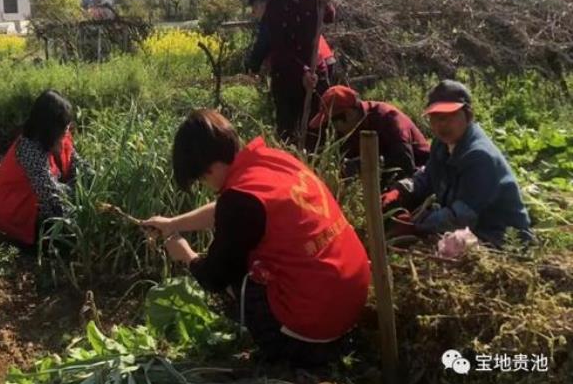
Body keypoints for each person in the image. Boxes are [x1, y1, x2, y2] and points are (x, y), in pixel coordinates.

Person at [144, 109, 371, 367]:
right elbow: (232, 209)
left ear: (209, 169)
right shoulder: (270, 161)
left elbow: (215, 275)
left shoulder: (240, 200)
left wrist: (184, 254)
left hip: (319, 320)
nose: (204, 184)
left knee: (242, 284)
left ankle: (288, 352)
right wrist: (173, 223)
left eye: (200, 178)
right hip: (353, 296)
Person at [381, 80, 533, 247]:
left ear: (468, 115)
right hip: (471, 228)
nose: (441, 124)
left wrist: (415, 226)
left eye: (448, 117)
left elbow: (460, 217)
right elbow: (428, 176)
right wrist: (401, 190)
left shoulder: (479, 156)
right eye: (435, 118)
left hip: (500, 236)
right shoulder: (442, 144)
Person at [255, 0, 336, 143]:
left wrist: (328, 1)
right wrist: (302, 73)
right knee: (289, 132)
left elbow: (328, 17)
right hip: (287, 75)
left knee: (318, 127)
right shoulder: (274, 4)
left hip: (316, 67)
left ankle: (317, 167)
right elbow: (280, 48)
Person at [0, 90, 86, 246]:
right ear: (50, 127)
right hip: (17, 216)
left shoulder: (59, 137)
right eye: (64, 127)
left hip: (41, 206)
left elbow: (78, 164)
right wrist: (82, 203)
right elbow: (50, 195)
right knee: (69, 240)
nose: (67, 130)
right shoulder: (29, 149)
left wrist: (97, 180)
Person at [309, 85, 430, 185]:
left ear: (349, 114)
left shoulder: (388, 118)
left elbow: (404, 165)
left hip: (421, 179)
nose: (333, 128)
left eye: (333, 122)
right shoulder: (349, 129)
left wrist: (361, 165)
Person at [245, 0, 337, 86]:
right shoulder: (288, 7)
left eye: (254, 8)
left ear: (261, 4)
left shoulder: (271, 18)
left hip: (310, 65)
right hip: (322, 58)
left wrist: (253, 67)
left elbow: (262, 45)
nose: (254, 13)